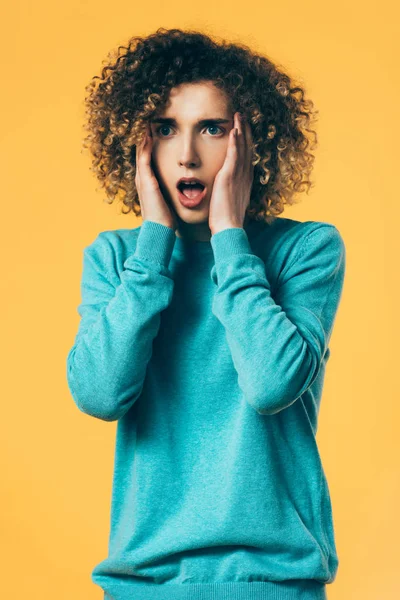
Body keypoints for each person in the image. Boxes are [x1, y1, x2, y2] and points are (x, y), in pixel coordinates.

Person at [66, 27, 346, 600]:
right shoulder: (117, 259)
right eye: (165, 129)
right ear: (137, 143)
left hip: (275, 583)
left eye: (212, 129)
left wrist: (229, 236)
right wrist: (152, 247)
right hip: (143, 583)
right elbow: (98, 393)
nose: (187, 154)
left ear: (252, 143)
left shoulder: (307, 249)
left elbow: (271, 383)